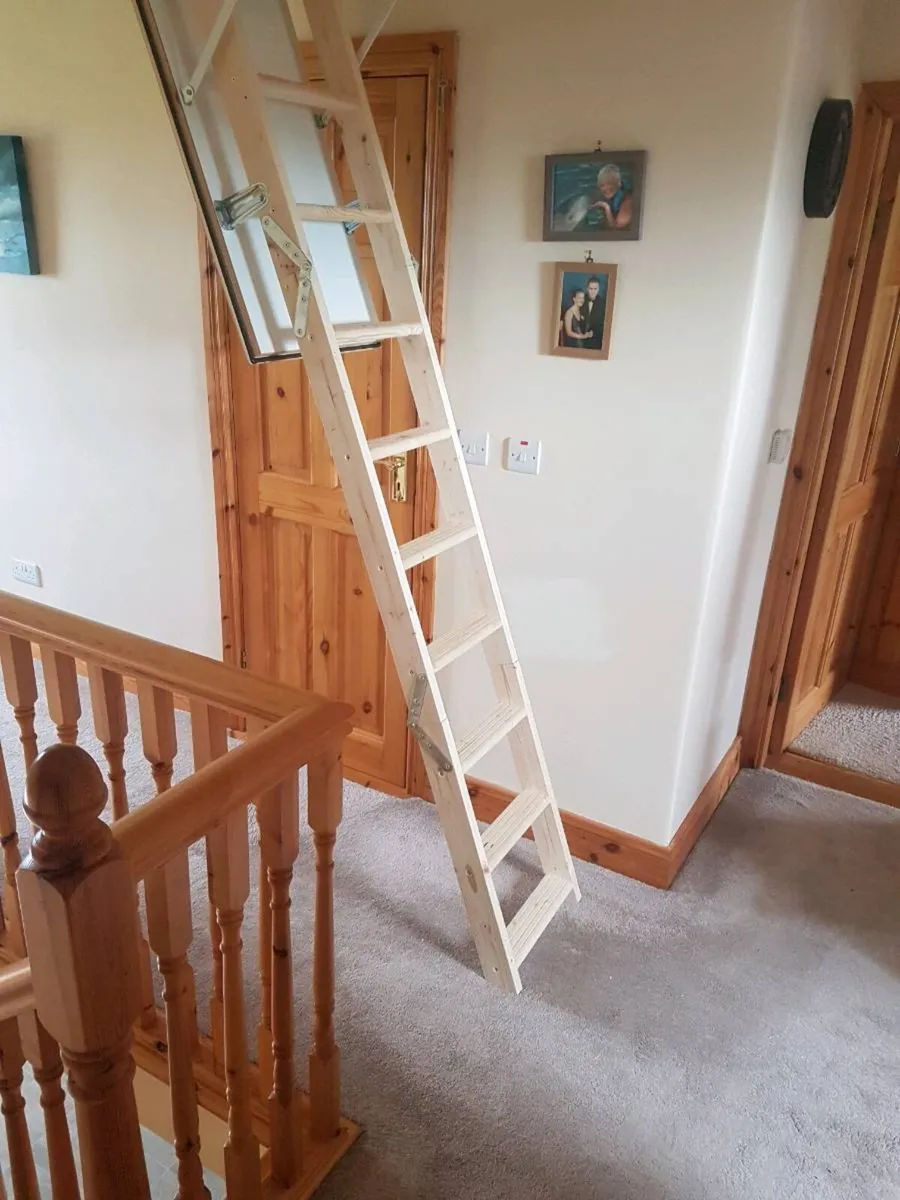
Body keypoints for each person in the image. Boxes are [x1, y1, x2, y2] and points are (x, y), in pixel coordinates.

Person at [589, 163, 633, 230]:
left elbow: (616, 228)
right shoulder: (602, 193)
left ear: (618, 184)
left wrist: (606, 207)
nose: (606, 188)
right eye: (602, 185)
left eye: (610, 183)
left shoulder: (626, 201)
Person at [580, 277, 606, 349]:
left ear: (599, 289)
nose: (593, 291)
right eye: (591, 288)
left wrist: (593, 334)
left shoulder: (603, 303)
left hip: (596, 341)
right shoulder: (580, 299)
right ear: (587, 288)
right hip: (580, 338)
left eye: (595, 289)